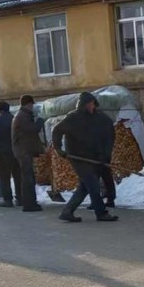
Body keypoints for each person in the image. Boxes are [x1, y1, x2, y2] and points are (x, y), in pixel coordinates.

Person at [52, 92, 118, 223]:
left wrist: (105, 155)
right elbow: (57, 130)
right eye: (89, 103)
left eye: (93, 103)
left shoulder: (100, 119)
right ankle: (101, 213)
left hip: (95, 158)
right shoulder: (73, 118)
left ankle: (67, 211)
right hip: (78, 158)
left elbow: (109, 136)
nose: (91, 106)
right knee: (93, 184)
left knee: (84, 187)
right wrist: (59, 149)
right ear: (83, 104)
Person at [11, 94, 45, 212]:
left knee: (28, 177)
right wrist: (40, 122)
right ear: (28, 104)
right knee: (28, 177)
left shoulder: (23, 115)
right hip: (23, 151)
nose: (32, 107)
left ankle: (30, 202)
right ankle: (29, 203)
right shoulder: (22, 116)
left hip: (24, 150)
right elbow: (32, 129)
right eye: (31, 105)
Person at [0, 101, 21, 208]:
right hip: (17, 151)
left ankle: (8, 200)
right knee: (18, 176)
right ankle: (20, 198)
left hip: (3, 153)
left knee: (5, 177)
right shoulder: (15, 119)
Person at [93, 99, 117, 209]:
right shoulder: (104, 119)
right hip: (103, 153)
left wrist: (103, 153)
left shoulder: (99, 120)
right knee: (106, 176)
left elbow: (107, 138)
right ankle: (109, 199)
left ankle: (100, 200)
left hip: (100, 153)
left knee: (98, 177)